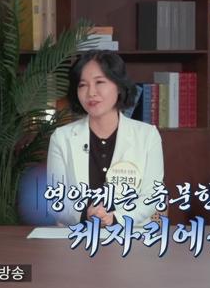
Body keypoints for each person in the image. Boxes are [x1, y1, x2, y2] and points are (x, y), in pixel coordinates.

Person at [47, 50, 164, 227]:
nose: (91, 93)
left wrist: (115, 218)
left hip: (130, 235)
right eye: (82, 85)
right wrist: (86, 214)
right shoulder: (62, 138)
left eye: (99, 82)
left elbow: (152, 196)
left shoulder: (147, 136)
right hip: (78, 234)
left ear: (119, 86)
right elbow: (56, 199)